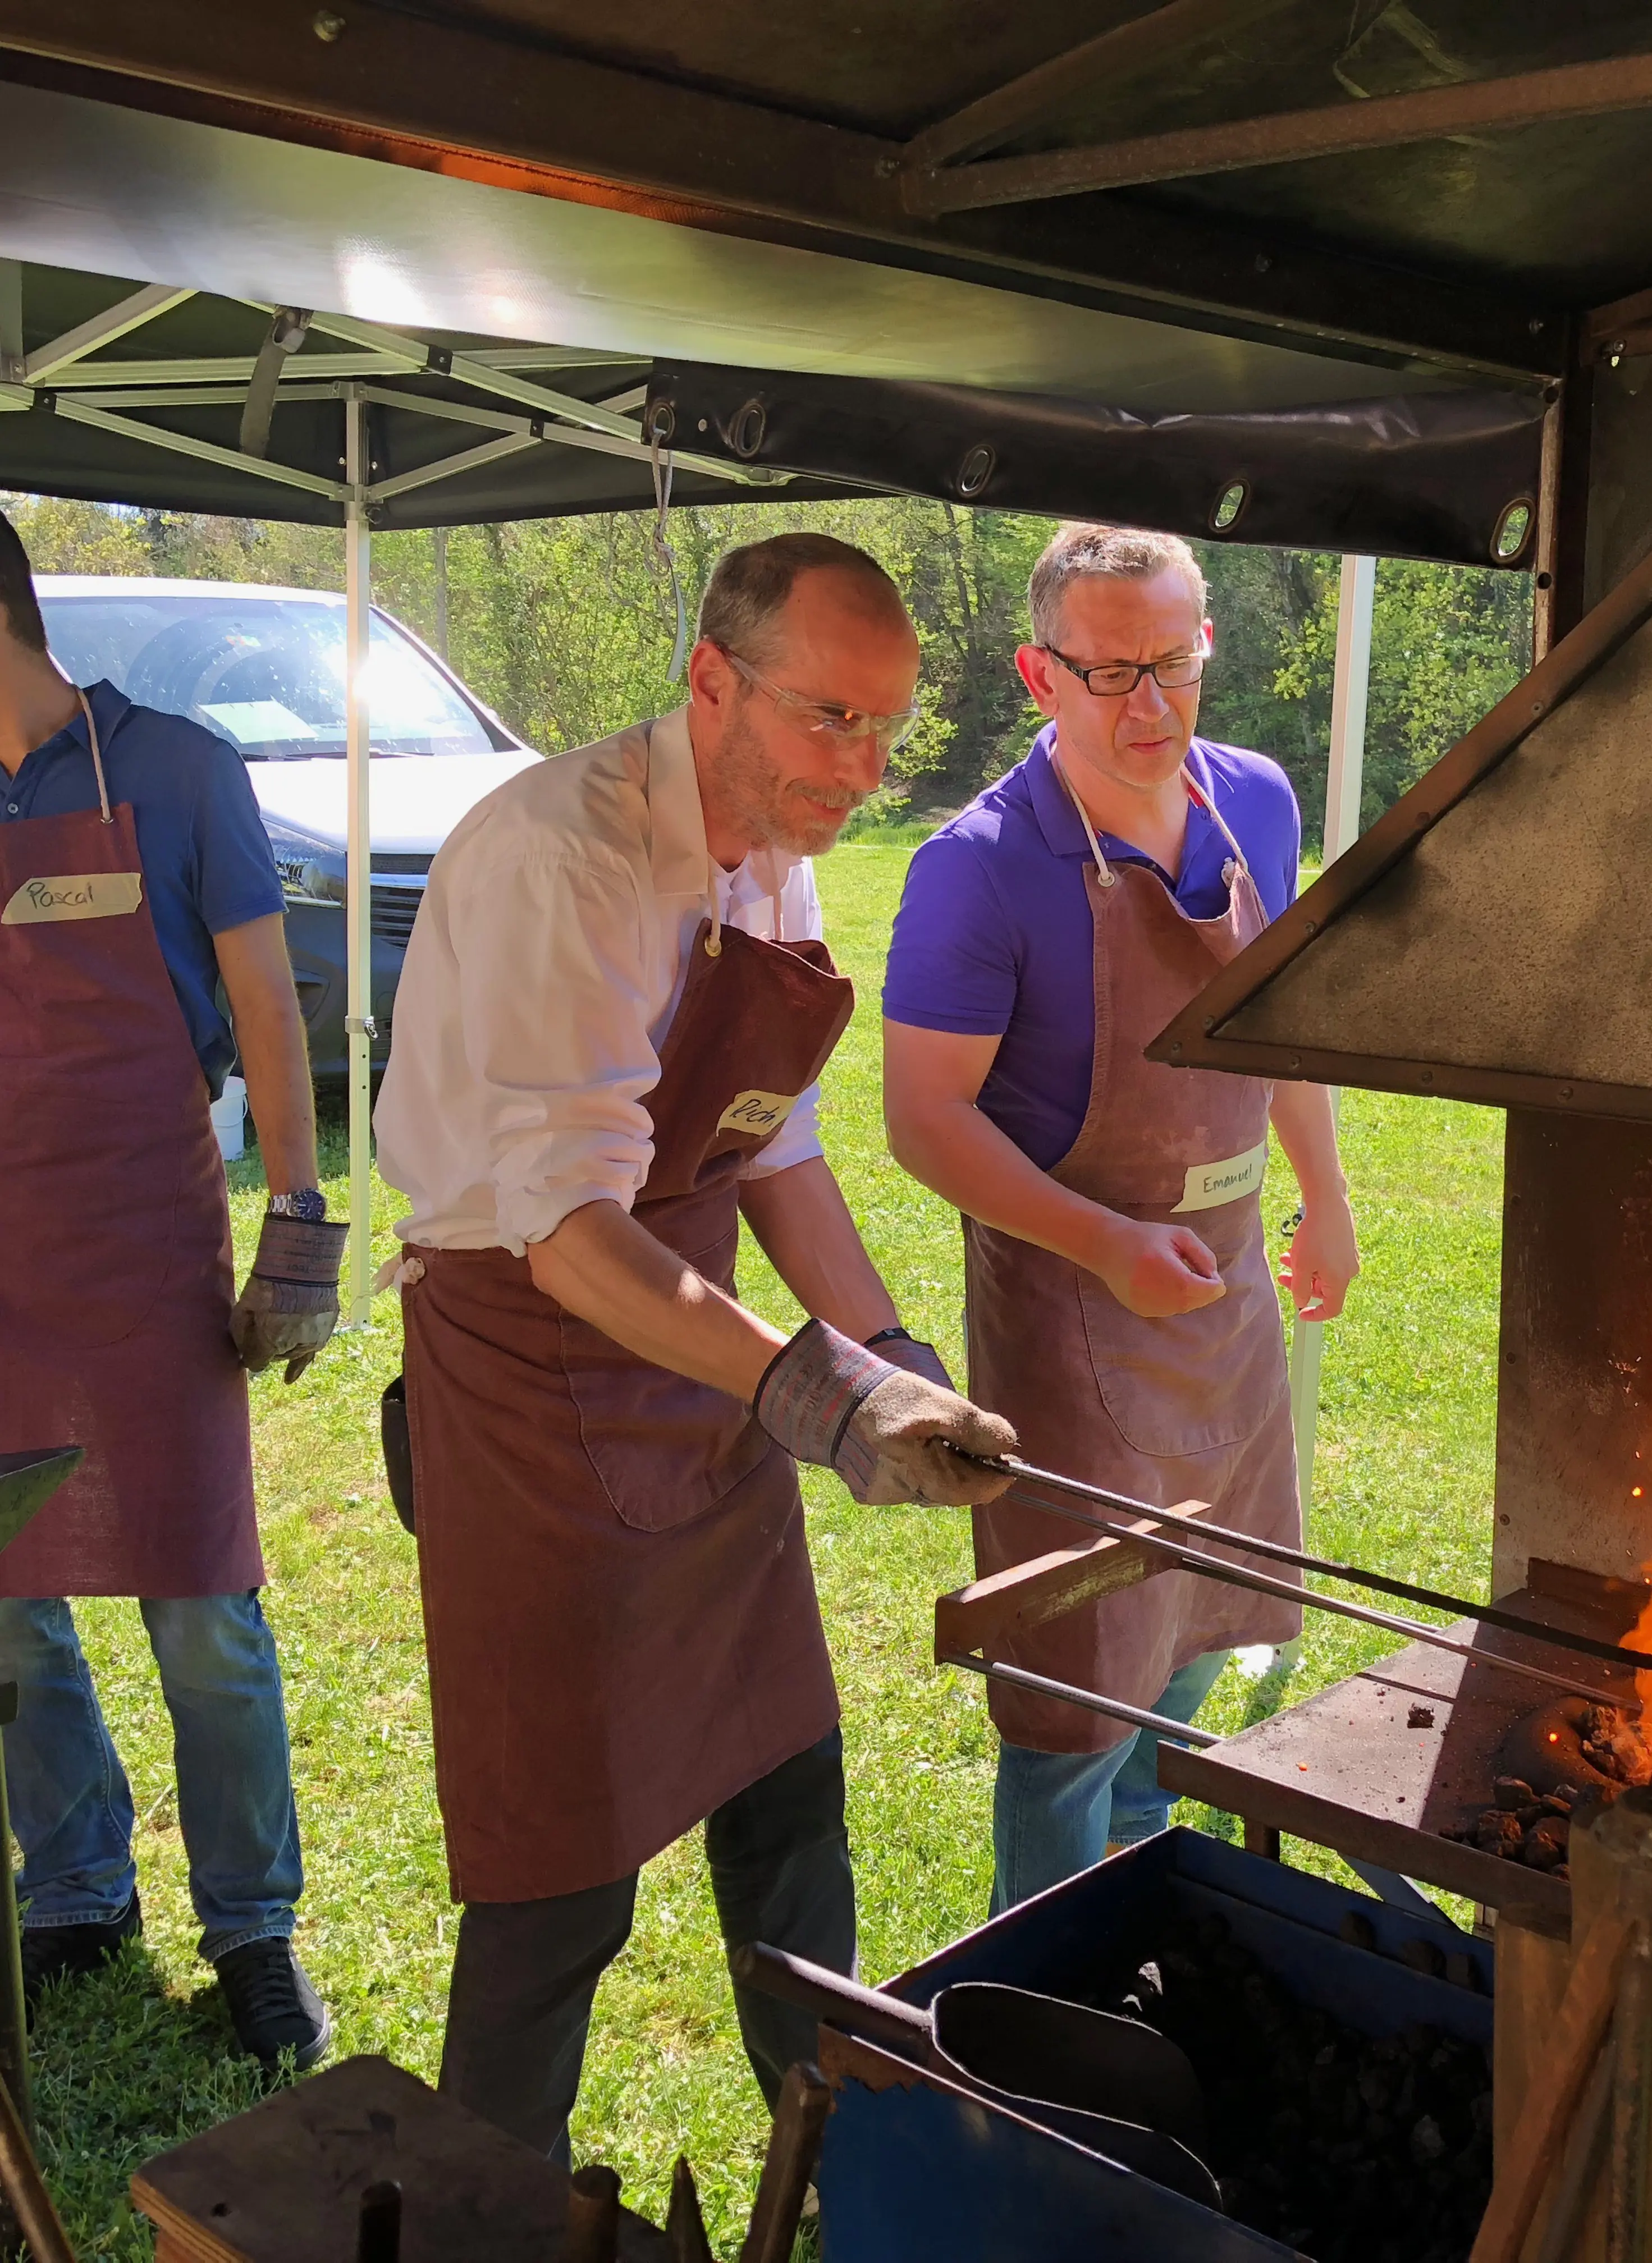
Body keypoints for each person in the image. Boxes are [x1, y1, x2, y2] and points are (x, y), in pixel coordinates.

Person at [373, 532, 1014, 2164]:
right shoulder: (563, 858)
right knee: (556, 1873)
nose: (859, 772)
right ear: (711, 681)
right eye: (827, 722)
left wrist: (890, 1349)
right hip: (533, 1370)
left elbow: (771, 1151)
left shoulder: (770, 860)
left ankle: (844, 2170)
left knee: (791, 1792)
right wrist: (815, 1395)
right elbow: (573, 1232)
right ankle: (478, 2214)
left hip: (700, 1365)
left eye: (885, 730)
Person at [882, 523, 1360, 1909]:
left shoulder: (1254, 801)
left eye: (1174, 663)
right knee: (1074, 1700)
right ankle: (1045, 1981)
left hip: (1222, 1297)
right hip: (1070, 1309)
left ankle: (1146, 1928)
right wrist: (1103, 1243)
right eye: (1109, 675)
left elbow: (1278, 1029)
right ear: (1040, 674)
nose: (1149, 706)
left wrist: (1322, 1193)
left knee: (1199, 1642)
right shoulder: (978, 866)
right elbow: (924, 1121)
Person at [0, 507, 341, 2068]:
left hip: (145, 1233)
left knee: (202, 1599)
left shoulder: (181, 768)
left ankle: (252, 1930)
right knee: (10, 1608)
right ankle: (74, 1886)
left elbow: (267, 1002)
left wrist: (299, 1216)